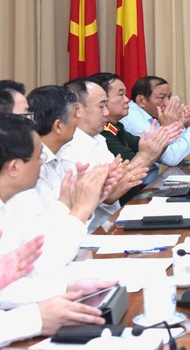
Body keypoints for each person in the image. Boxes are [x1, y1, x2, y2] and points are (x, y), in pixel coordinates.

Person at [2, 87, 111, 274]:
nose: (32, 120)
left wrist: (78, 202)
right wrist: (80, 209)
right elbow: (43, 261)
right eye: (25, 115)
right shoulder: (18, 189)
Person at [58, 79, 150, 231]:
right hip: (91, 234)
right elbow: (107, 197)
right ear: (77, 110)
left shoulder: (98, 138)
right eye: (101, 106)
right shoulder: (69, 150)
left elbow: (115, 188)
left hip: (113, 225)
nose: (106, 113)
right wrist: (146, 155)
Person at [121, 75, 190, 166]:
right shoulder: (134, 121)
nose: (167, 103)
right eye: (161, 98)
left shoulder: (152, 115)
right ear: (141, 100)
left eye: (169, 97)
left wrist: (182, 124)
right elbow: (172, 157)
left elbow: (178, 152)